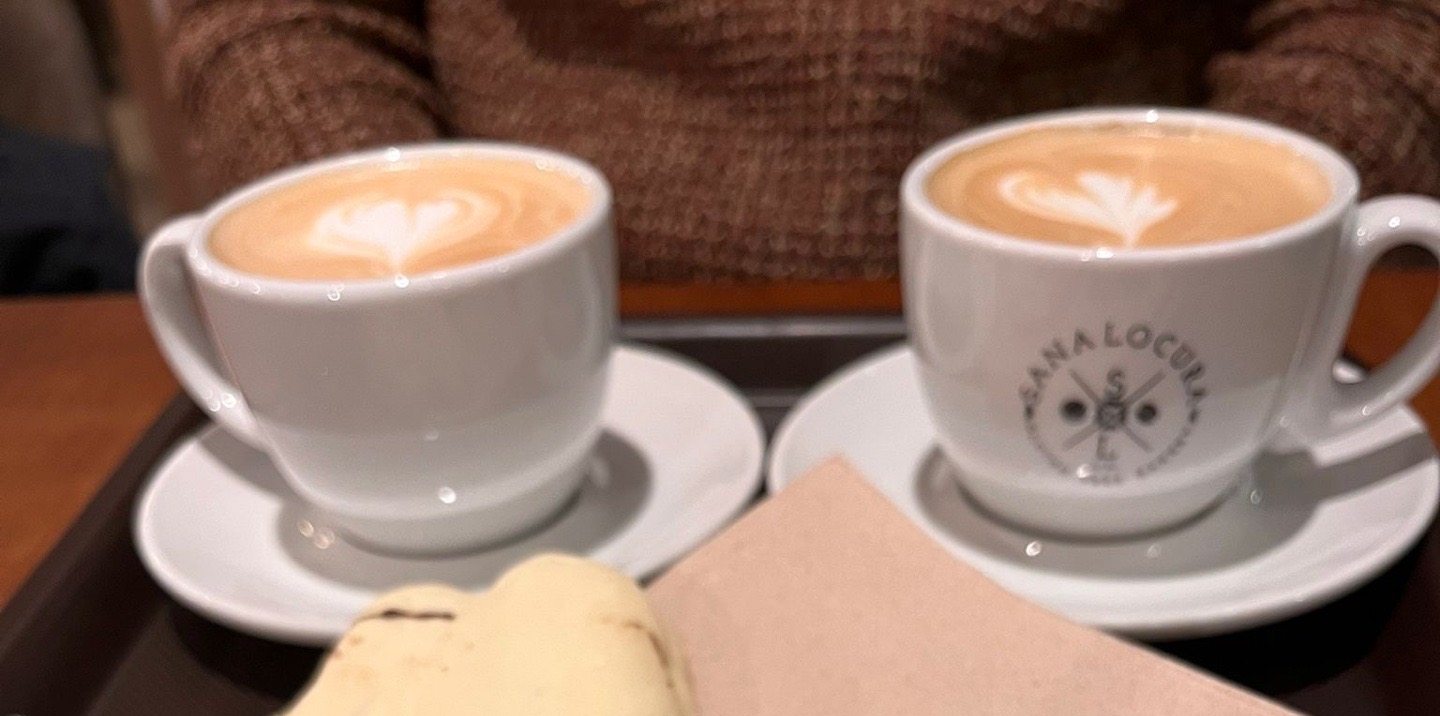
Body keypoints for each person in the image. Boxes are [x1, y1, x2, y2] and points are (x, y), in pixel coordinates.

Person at [167, 0, 1440, 281]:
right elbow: (281, 18)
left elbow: (1382, 19)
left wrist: (1252, 268)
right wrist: (407, 298)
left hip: (1116, 341)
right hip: (558, 321)